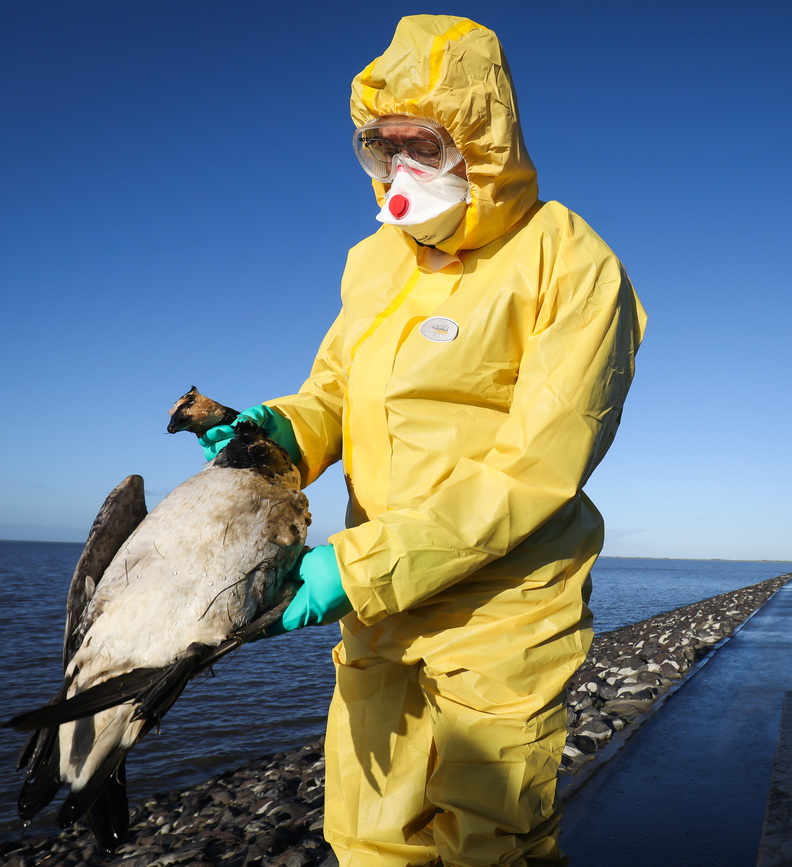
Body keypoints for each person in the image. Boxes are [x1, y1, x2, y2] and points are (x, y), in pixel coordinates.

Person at [196, 15, 644, 867]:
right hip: (377, 611)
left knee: (492, 841)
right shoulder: (375, 260)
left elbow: (540, 463)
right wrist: (274, 435)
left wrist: (356, 565)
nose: (402, 171)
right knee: (369, 831)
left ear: (481, 140)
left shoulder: (570, 261)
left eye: (423, 145)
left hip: (502, 608)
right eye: (382, 147)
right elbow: (334, 391)